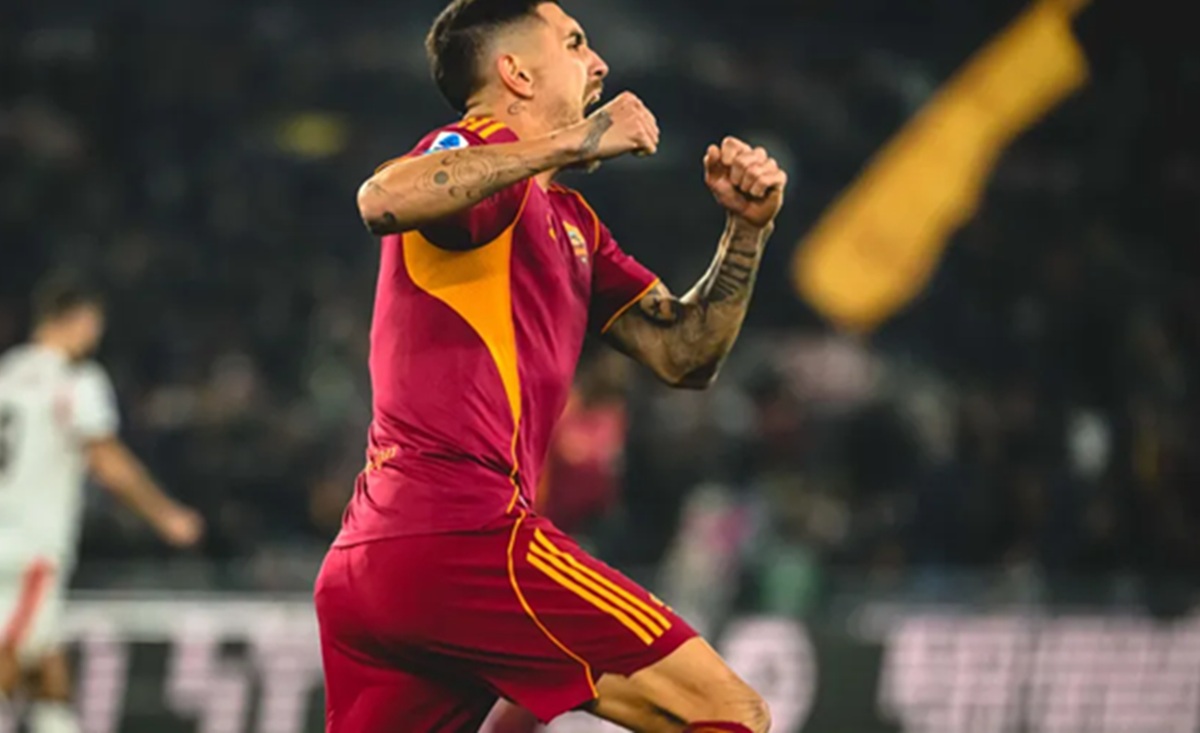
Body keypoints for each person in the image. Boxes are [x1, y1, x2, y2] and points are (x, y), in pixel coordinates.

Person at [315, 0, 787, 730]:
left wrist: (746, 233)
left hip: (381, 559)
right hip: (463, 531)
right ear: (515, 72)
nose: (598, 64)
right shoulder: (471, 148)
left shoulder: (570, 222)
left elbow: (685, 355)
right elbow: (384, 198)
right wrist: (574, 139)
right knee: (730, 712)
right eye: (574, 42)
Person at [0, 279, 204, 733]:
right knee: (10, 656)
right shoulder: (76, 381)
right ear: (81, 320)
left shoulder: (8, 372)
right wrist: (166, 515)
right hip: (32, 547)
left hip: (4, 535)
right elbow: (107, 461)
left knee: (46, 667)